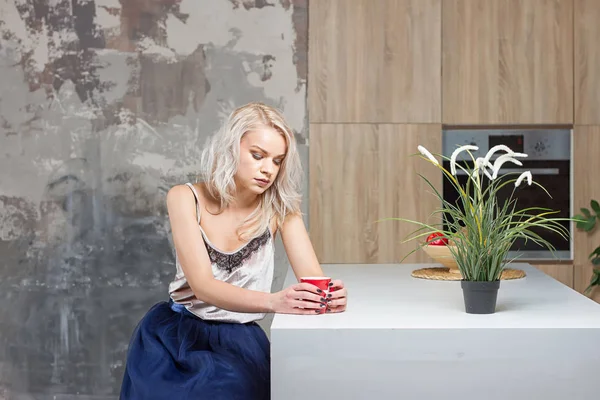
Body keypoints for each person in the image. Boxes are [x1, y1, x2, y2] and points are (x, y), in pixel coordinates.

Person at [119, 102, 348, 400]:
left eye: (277, 161)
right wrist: (274, 301)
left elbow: (313, 280)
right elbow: (202, 287)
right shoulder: (184, 197)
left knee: (228, 388)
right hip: (174, 337)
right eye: (257, 155)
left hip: (238, 340)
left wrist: (328, 296)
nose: (268, 169)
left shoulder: (282, 210)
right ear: (231, 148)